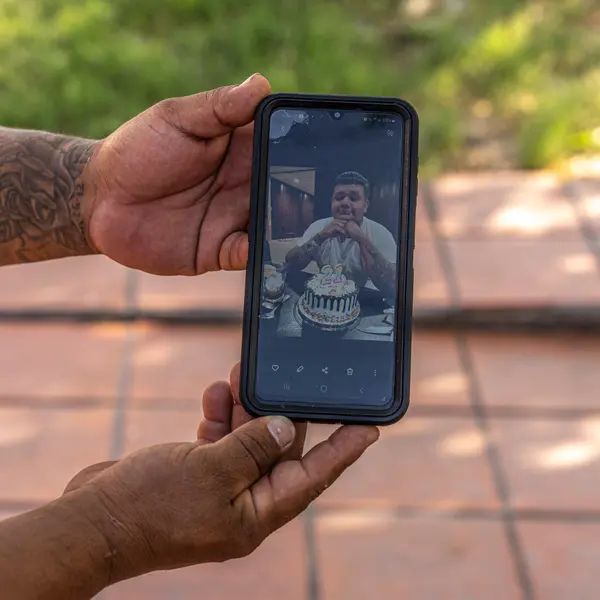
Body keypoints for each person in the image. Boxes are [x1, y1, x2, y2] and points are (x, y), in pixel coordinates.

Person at [0, 74, 379, 598]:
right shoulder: (318, 230)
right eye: (339, 197)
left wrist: (99, 189)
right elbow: (293, 263)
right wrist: (112, 526)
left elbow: (385, 278)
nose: (345, 206)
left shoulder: (374, 234)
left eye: (354, 199)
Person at [285, 171, 397, 299]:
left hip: (360, 297)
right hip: (324, 296)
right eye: (339, 198)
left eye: (353, 198)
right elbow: (290, 264)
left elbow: (391, 285)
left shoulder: (380, 232)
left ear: (365, 205)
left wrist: (362, 239)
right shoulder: (318, 227)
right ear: (332, 202)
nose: (345, 203)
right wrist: (320, 237)